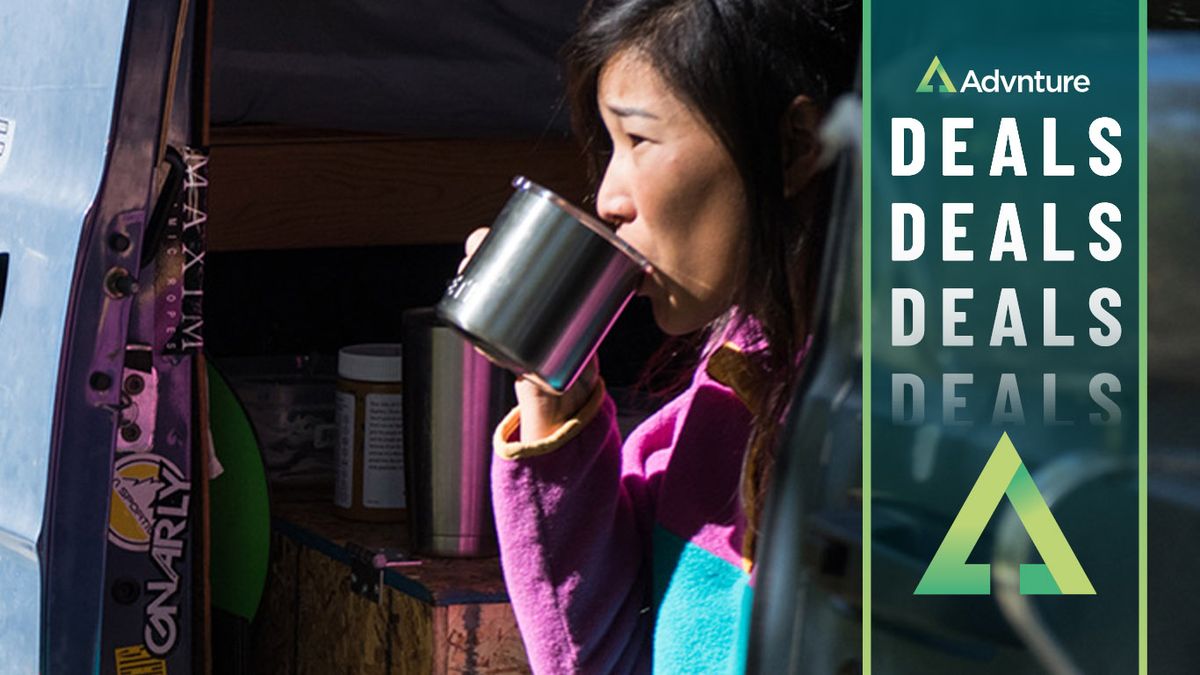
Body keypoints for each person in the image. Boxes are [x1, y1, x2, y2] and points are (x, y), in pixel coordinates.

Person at [462, 0, 856, 671]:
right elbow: (602, 656)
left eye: (639, 140)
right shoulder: (724, 403)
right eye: (609, 148)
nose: (610, 199)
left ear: (792, 147)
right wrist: (555, 405)